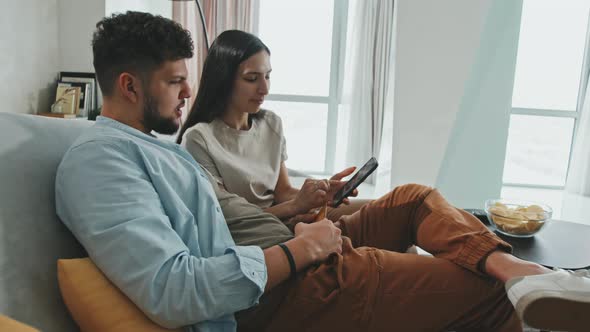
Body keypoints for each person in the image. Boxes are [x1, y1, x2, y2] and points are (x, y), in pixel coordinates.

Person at [55, 11, 590, 332]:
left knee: (412, 197)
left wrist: (305, 226)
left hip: (297, 251)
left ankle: (519, 273)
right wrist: (301, 249)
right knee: (485, 296)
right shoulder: (102, 160)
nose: (188, 92)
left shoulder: (152, 147)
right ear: (128, 86)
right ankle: (518, 285)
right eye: (175, 82)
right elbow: (174, 290)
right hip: (286, 287)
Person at [176, 30, 368, 225]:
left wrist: (320, 193)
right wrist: (294, 208)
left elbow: (283, 192)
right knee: (380, 219)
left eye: (267, 76)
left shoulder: (271, 123)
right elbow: (227, 218)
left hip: (288, 220)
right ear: (223, 80)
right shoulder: (199, 139)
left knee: (392, 203)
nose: (265, 89)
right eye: (252, 78)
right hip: (259, 232)